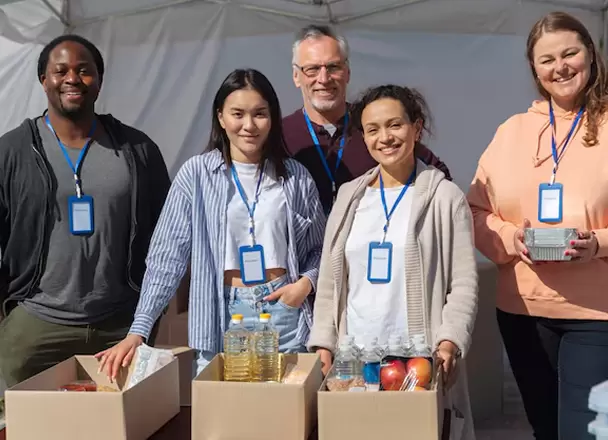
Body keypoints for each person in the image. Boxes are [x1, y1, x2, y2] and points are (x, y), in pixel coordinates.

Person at [97, 69, 325, 380]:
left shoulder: (295, 177)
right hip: (220, 314)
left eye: (260, 114)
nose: (249, 125)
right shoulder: (197, 174)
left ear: (272, 118)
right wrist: (140, 328)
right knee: (221, 408)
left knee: (287, 407)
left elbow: (320, 249)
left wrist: (305, 284)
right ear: (220, 117)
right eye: (237, 114)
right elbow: (167, 256)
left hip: (283, 311)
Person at [308, 85, 478, 439]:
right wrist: (324, 342)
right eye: (373, 129)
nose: (384, 137)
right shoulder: (349, 196)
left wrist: (449, 341)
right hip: (356, 362)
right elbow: (330, 281)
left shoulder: (445, 197)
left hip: (417, 362)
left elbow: (463, 283)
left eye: (395, 125)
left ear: (417, 128)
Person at [467, 11, 608, 440]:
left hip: (596, 313)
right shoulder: (511, 131)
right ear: (534, 68)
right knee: (545, 428)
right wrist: (512, 238)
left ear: (591, 54)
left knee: (585, 432)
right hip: (523, 311)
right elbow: (475, 211)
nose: (560, 67)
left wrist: (597, 244)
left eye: (570, 53)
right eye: (547, 59)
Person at [0, 35, 170, 387]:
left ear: (99, 80)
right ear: (43, 80)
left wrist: (151, 314)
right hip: (35, 325)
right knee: (21, 417)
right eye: (60, 70)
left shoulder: (138, 150)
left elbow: (168, 238)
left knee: (124, 417)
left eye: (83, 70)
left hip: (120, 327)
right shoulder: (12, 151)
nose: (72, 79)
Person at [283, 24, 452, 214]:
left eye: (333, 67)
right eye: (312, 69)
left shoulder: (373, 124)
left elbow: (438, 175)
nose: (324, 78)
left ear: (347, 72)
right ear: (296, 76)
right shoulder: (280, 136)